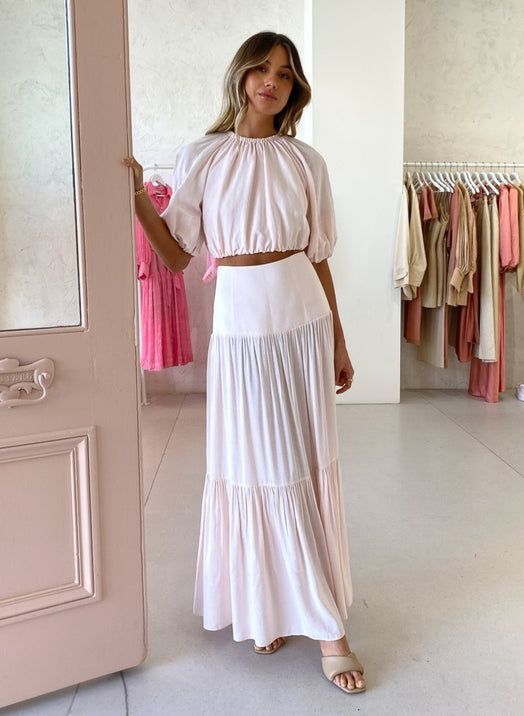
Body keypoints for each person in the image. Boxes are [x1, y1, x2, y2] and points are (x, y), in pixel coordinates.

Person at [123, 31, 366, 695]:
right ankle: (270, 604)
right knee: (259, 464)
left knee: (302, 463)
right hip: (241, 324)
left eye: (284, 74)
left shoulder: (305, 161)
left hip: (302, 318)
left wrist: (339, 340)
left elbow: (318, 257)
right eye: (261, 69)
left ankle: (327, 627)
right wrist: (139, 196)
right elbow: (177, 255)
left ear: (294, 89)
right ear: (240, 76)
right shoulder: (202, 156)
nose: (271, 82)